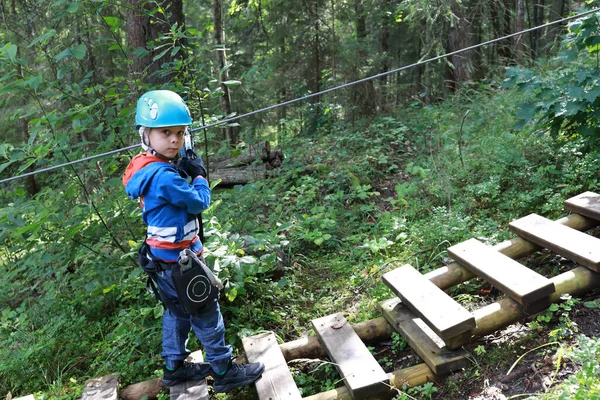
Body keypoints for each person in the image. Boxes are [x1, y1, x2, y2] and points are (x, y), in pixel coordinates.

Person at [122, 89, 264, 392]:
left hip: (163, 261)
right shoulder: (164, 177)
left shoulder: (145, 167)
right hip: (181, 263)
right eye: (165, 133)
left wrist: (180, 165)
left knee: (178, 312)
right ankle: (224, 372)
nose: (174, 140)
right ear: (146, 135)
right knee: (205, 312)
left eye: (180, 133)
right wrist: (198, 175)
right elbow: (199, 202)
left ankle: (174, 368)